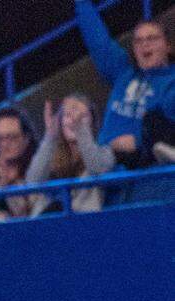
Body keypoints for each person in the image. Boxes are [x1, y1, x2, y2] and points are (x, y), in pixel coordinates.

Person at [75, 0, 174, 165]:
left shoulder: (172, 82)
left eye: (152, 38)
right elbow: (98, 41)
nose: (144, 44)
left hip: (150, 173)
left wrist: (138, 140)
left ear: (168, 46)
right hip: (106, 170)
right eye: (138, 40)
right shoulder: (123, 72)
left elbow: (167, 129)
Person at [27, 95, 114, 214]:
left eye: (82, 116)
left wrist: (81, 130)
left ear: (92, 122)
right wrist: (50, 137)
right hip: (47, 221)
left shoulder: (104, 152)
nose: (74, 120)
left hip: (83, 224)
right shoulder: (49, 154)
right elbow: (33, 182)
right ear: (60, 121)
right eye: (68, 115)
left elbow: (97, 168)